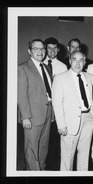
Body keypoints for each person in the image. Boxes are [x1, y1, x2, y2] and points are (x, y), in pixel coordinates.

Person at [52, 51, 93, 171]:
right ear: (70, 61)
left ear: (85, 62)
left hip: (88, 119)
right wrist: (61, 125)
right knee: (67, 157)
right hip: (69, 122)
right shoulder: (60, 78)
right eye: (74, 60)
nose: (78, 63)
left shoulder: (90, 77)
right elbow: (57, 103)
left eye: (81, 60)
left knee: (84, 155)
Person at [18, 39, 54, 170]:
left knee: (43, 146)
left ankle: (40, 169)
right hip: (32, 116)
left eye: (42, 49)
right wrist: (25, 117)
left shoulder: (46, 67)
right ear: (29, 51)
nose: (40, 51)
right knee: (31, 148)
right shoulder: (23, 68)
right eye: (36, 49)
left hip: (47, 113)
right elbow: (21, 95)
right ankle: (34, 173)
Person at [43, 37, 67, 170]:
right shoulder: (40, 63)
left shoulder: (62, 66)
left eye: (54, 48)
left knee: (54, 138)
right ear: (45, 49)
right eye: (49, 48)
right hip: (43, 106)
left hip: (57, 107)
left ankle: (52, 165)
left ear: (58, 50)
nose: (51, 51)